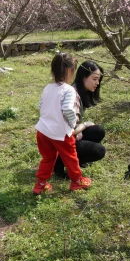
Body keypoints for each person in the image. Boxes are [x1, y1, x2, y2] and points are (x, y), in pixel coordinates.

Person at [33, 52, 92, 194]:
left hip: (43, 131)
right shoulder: (69, 90)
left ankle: (40, 184)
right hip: (60, 133)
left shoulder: (48, 87)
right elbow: (67, 109)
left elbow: (40, 106)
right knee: (71, 158)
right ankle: (77, 181)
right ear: (68, 71)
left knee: (48, 158)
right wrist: (72, 123)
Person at [53, 60, 106, 179]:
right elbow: (67, 129)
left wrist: (80, 127)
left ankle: (75, 160)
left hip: (67, 135)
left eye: (98, 80)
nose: (97, 83)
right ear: (83, 77)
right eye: (94, 79)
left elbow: (73, 123)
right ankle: (59, 164)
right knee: (99, 151)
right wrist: (84, 125)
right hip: (61, 140)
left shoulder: (81, 92)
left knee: (98, 130)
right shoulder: (73, 95)